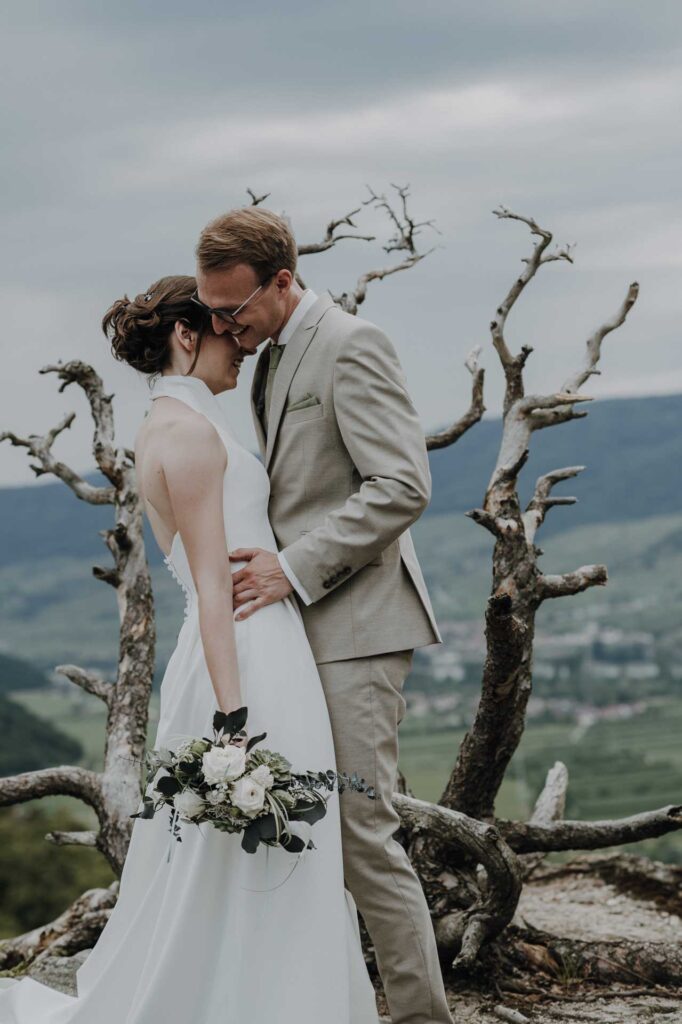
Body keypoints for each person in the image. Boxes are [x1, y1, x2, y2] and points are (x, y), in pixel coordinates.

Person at [0, 275, 380, 1023]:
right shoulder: (190, 434)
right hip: (246, 657)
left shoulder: (173, 423)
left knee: (259, 843)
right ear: (184, 335)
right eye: (226, 330)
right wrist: (234, 723)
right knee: (257, 839)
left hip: (247, 647)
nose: (242, 344)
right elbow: (211, 588)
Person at [192, 207, 453, 1024]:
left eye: (234, 309)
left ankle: (423, 1016)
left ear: (283, 280)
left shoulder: (350, 343)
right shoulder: (271, 357)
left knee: (362, 832)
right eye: (212, 312)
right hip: (302, 634)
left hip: (359, 626)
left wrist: (292, 567)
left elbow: (402, 485)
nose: (224, 328)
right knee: (316, 827)